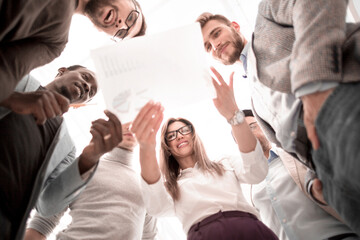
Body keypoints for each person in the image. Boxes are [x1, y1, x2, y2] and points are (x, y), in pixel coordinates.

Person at [197, 7, 360, 234]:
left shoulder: (267, 23)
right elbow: (289, 147)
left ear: (234, 26)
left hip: (343, 114)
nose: (214, 46)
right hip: (329, 172)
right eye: (207, 46)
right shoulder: (254, 102)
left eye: (215, 34)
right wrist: (314, 182)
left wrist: (314, 88)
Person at [130, 70, 278, 239]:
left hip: (250, 229)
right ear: (168, 148)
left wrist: (233, 115)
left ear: (193, 136)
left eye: (184, 130)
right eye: (171, 135)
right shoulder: (171, 188)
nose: (179, 135)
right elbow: (156, 206)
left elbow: (257, 172)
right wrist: (146, 147)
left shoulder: (224, 163)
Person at [0, 66, 124, 240]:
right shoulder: (18, 79)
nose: (87, 87)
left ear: (81, 105)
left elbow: (47, 205)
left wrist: (90, 157)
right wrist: (14, 99)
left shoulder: (67, 149)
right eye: (86, 77)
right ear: (63, 70)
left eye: (91, 92)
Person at [24, 122, 158, 240]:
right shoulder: (84, 167)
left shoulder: (146, 185)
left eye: (137, 123)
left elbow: (149, 237)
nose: (130, 126)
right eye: (125, 119)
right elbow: (41, 224)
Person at [0, 0, 147, 103]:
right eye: (132, 18)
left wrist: (15, 100)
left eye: (121, 34)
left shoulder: (54, 43)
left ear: (100, 30)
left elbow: (6, 72)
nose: (121, 26)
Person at [243, 109, 358, 240]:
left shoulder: (294, 153)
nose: (247, 135)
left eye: (252, 127)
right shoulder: (249, 184)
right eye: (240, 134)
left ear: (263, 128)